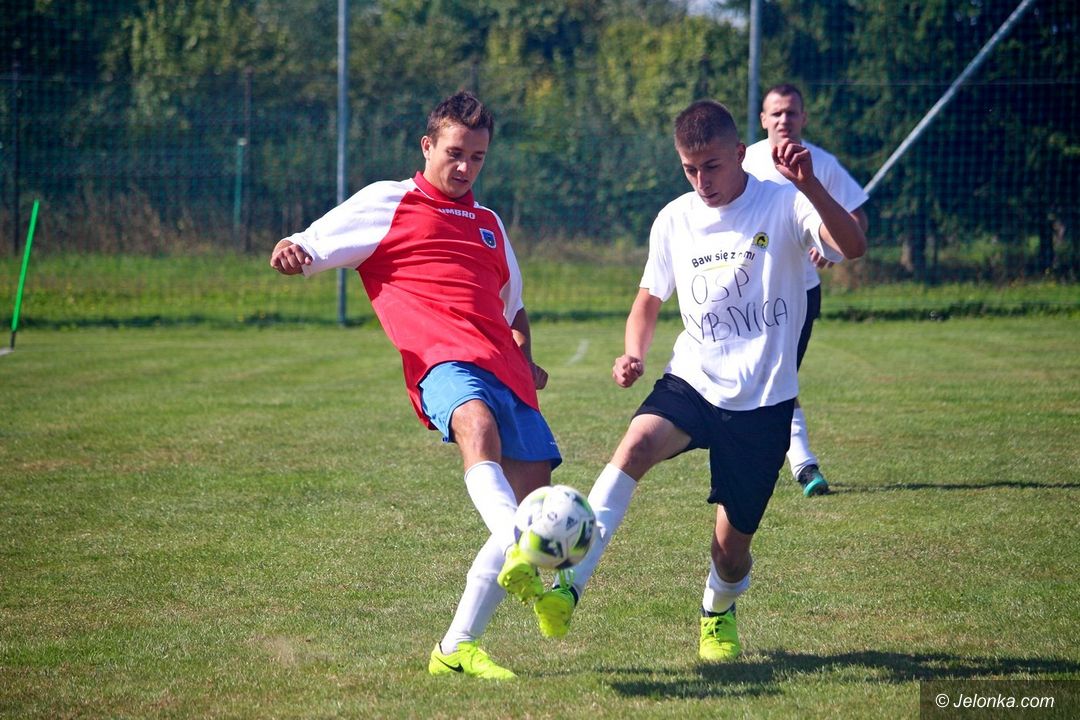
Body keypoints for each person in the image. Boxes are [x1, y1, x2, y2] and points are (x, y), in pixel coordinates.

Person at [531, 99, 866, 660]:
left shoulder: (784, 202)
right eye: (689, 169)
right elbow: (648, 298)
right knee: (635, 445)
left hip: (763, 399)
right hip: (693, 379)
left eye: (711, 166)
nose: (701, 181)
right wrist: (632, 352)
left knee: (730, 552)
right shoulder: (674, 218)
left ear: (739, 153)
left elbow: (852, 247)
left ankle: (717, 609)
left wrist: (810, 186)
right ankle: (569, 586)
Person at [270, 90, 560, 680]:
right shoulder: (389, 201)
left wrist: (526, 359)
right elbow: (313, 241)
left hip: (504, 368)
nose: (466, 167)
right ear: (427, 146)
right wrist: (294, 248)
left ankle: (456, 648)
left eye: (477, 157)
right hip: (441, 360)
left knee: (530, 501)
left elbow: (515, 309)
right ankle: (518, 554)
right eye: (455, 153)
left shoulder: (490, 224)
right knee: (476, 425)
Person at [742, 83, 870, 497]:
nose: (784, 119)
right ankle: (763, 454)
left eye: (791, 112)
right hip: (747, 294)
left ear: (803, 118)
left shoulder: (822, 164)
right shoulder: (744, 161)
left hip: (799, 292)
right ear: (763, 119)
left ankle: (801, 463)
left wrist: (833, 250)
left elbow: (857, 220)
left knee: (780, 375)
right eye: (776, 112)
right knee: (754, 377)